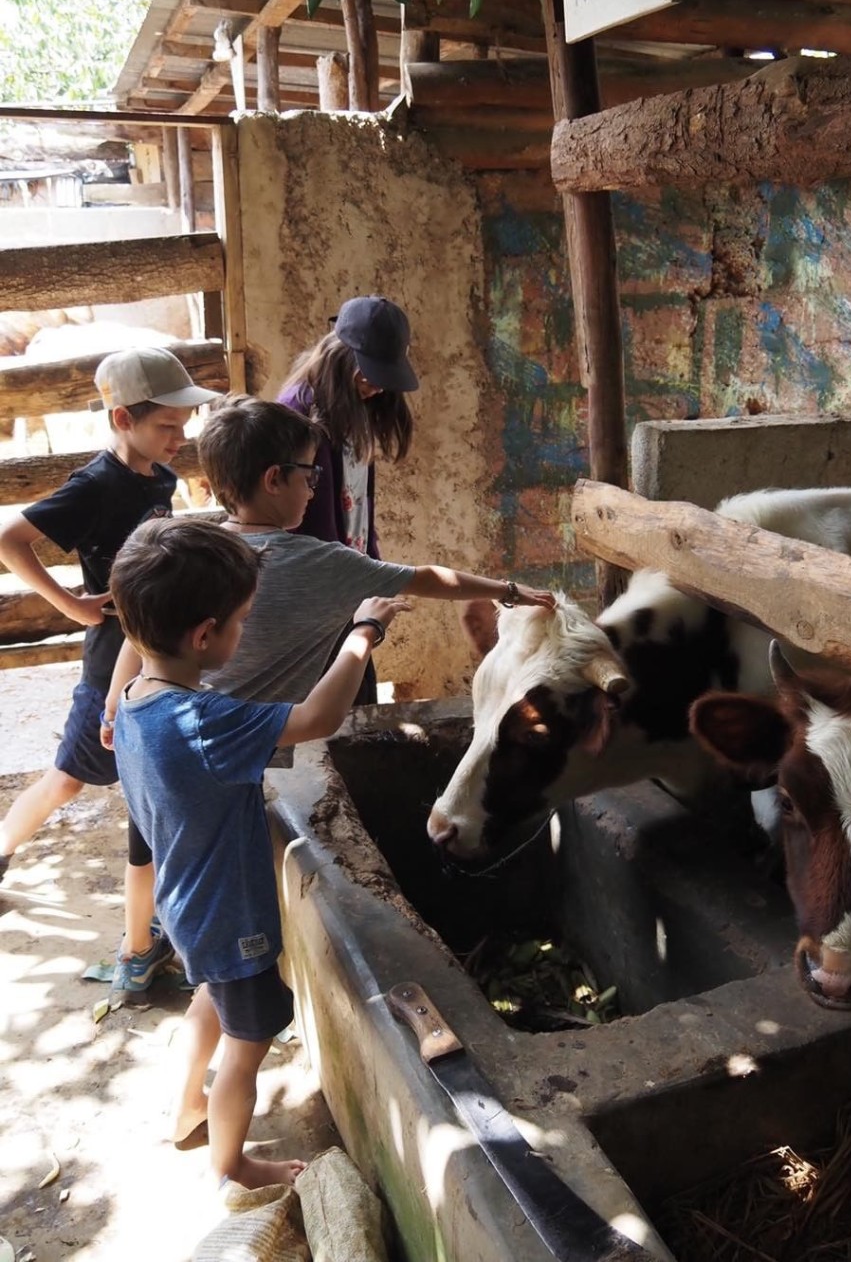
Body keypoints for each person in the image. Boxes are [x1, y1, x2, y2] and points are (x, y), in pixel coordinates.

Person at [102, 394, 555, 1005]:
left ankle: (150, 951)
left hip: (158, 743)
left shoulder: (193, 545)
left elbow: (141, 631)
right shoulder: (318, 561)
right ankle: (229, 992)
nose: (316, 491)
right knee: (236, 915)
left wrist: (113, 705)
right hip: (231, 753)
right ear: (274, 479)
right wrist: (507, 589)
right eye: (310, 475)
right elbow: (425, 579)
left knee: (163, 858)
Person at [108, 517, 412, 1189]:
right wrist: (362, 632)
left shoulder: (137, 701)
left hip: (185, 903)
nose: (247, 632)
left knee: (208, 998)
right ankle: (231, 1163)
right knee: (247, 1049)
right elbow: (315, 719)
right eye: (242, 621)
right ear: (203, 636)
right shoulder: (205, 723)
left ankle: (185, 1106)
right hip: (230, 914)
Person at [0, 346, 217, 972]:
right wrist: (68, 603)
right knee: (68, 777)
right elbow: (11, 539)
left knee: (142, 794)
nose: (180, 439)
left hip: (150, 650)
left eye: (183, 426)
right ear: (122, 419)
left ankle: (141, 936)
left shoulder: (161, 478)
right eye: (166, 426)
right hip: (110, 660)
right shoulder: (94, 486)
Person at [277, 294, 416, 703]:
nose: (376, 387)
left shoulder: (353, 406)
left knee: (358, 694)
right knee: (334, 703)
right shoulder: (300, 414)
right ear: (339, 356)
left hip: (347, 584)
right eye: (368, 373)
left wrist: (371, 567)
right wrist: (357, 579)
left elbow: (359, 506)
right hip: (316, 595)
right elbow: (308, 525)